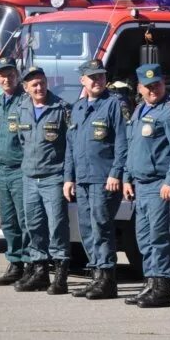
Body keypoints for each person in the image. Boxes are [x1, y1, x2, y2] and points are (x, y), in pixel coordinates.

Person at [122, 64, 170, 308]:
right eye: (148, 86)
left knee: (160, 236)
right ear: (140, 88)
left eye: (157, 85)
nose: (153, 90)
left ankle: (162, 290)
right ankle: (150, 283)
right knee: (144, 238)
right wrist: (127, 178)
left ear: (164, 83)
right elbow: (133, 148)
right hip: (141, 185)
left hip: (160, 184)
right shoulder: (140, 109)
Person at [64, 59, 130, 300]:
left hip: (104, 178)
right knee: (87, 228)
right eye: (92, 77)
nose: (97, 80)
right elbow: (71, 146)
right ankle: (96, 276)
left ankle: (107, 280)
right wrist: (68, 178)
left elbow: (123, 142)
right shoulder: (79, 107)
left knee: (101, 226)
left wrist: (116, 173)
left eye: (101, 76)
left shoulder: (114, 105)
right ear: (83, 80)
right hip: (82, 178)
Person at [15, 67, 72, 294]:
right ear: (26, 88)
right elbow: (22, 141)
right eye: (34, 85)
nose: (39, 88)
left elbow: (70, 147)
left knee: (57, 226)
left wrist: (68, 178)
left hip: (54, 177)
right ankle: (39, 272)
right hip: (29, 177)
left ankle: (60, 276)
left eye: (41, 83)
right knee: (34, 226)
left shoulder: (61, 108)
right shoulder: (23, 109)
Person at [0, 58, 31, 286]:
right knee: (8, 222)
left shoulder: (25, 102)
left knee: (26, 221)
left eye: (11, 73)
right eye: (2, 75)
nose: (6, 78)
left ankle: (31, 266)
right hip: (2, 172)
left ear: (17, 75)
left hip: (21, 171)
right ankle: (15, 264)